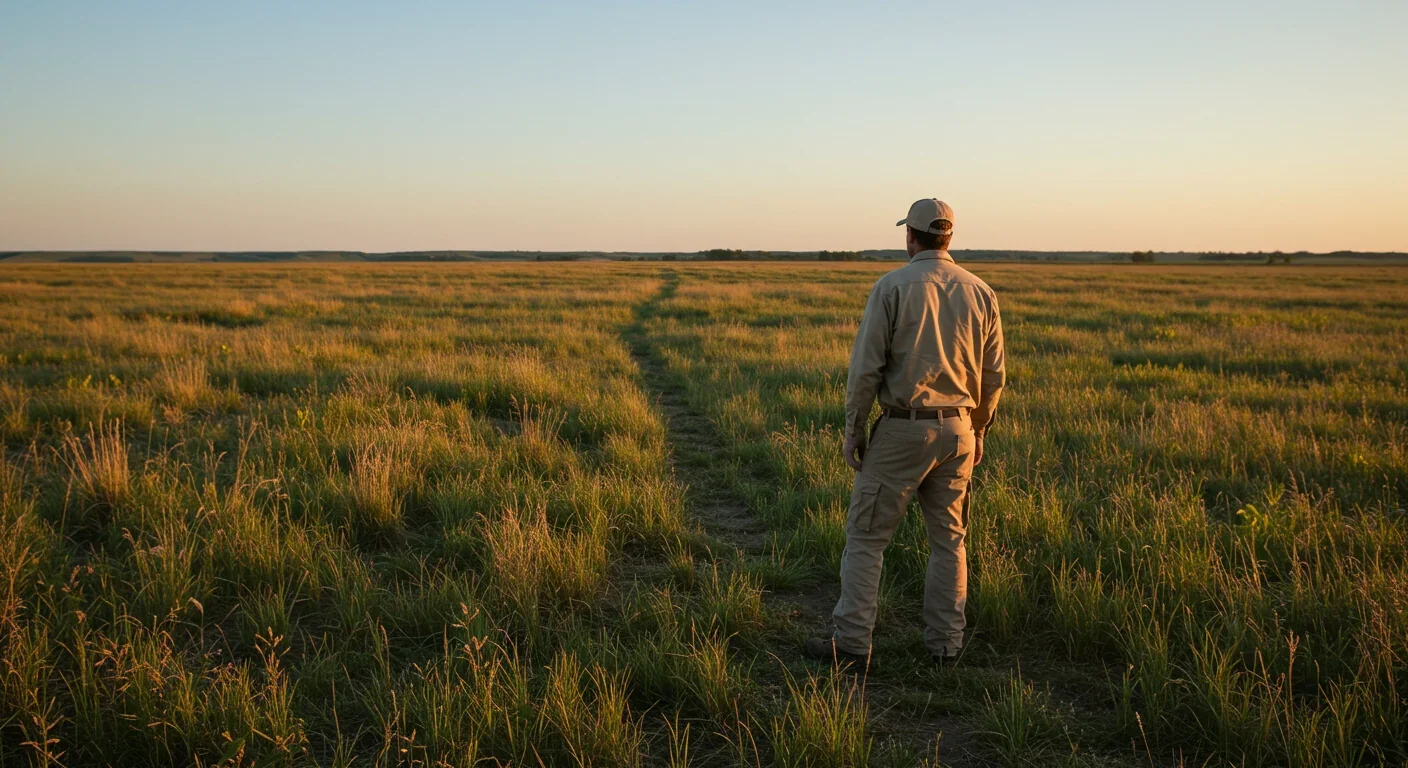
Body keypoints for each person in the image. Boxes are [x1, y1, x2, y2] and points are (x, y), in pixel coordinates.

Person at [805, 198, 1006, 665]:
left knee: (866, 538)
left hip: (901, 431)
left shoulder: (891, 286)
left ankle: (852, 643)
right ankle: (945, 647)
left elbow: (865, 370)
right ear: (948, 237)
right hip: (959, 431)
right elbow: (994, 375)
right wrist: (978, 431)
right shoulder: (981, 291)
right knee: (950, 541)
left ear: (910, 237)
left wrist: (854, 430)